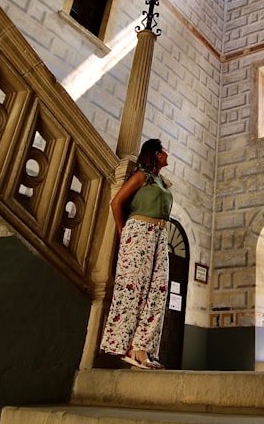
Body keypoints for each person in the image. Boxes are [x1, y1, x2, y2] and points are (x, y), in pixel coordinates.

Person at [100, 138, 173, 369]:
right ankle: (127, 346)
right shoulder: (142, 176)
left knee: (158, 290)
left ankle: (141, 347)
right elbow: (116, 203)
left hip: (160, 235)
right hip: (138, 232)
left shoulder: (161, 181)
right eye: (164, 151)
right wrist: (124, 233)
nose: (167, 154)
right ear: (155, 154)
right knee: (132, 289)